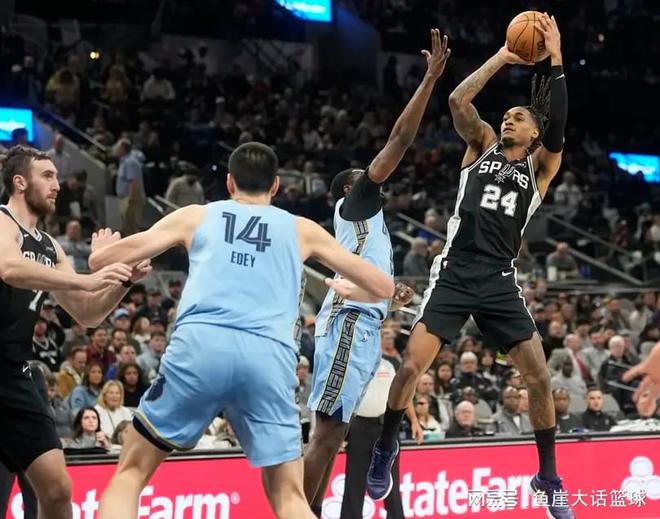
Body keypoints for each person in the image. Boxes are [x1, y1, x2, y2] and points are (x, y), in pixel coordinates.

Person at [87, 141, 395, 519]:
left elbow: (102, 261)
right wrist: (353, 290)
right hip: (268, 358)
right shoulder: (302, 229)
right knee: (289, 496)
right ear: (276, 186)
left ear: (230, 182)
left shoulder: (196, 215)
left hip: (200, 348)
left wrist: (101, 248)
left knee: (131, 473)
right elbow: (384, 287)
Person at [367, 15, 574, 519]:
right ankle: (385, 446)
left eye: (519, 117)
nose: (509, 120)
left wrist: (555, 58)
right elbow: (459, 101)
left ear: (535, 131)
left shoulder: (540, 168)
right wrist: (504, 55)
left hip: (499, 278)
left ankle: (548, 476)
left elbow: (560, 121)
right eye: (506, 116)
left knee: (539, 377)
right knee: (411, 366)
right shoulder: (480, 145)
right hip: (456, 271)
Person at [304, 31, 450, 514]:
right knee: (328, 431)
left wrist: (392, 294)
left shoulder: (372, 230)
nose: (372, 180)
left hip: (364, 320)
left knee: (336, 432)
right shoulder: (356, 203)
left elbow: (372, 280)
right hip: (349, 321)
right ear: (350, 190)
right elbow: (400, 140)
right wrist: (429, 80)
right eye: (362, 177)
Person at [0, 145, 148, 519]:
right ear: (20, 182)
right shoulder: (2, 221)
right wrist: (88, 279)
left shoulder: (49, 246)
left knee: (57, 490)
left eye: (56, 176)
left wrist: (124, 281)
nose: (57, 185)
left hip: (14, 375)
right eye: (47, 176)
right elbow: (9, 268)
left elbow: (87, 313)